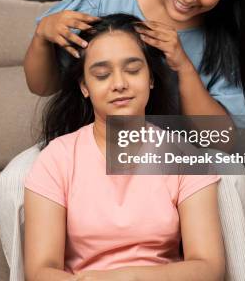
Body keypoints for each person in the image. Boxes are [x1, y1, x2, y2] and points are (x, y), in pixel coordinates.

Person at [0, 0, 245, 281]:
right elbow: (43, 84)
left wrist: (181, 63)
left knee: (226, 178)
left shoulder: (232, 32)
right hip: (89, 138)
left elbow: (219, 138)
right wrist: (42, 35)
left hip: (181, 145)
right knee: (12, 183)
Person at [24, 14, 224, 280]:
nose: (119, 84)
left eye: (132, 70)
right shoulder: (57, 158)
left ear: (151, 78)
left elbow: (209, 266)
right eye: (102, 75)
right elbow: (40, 271)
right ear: (85, 87)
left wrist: (126, 278)